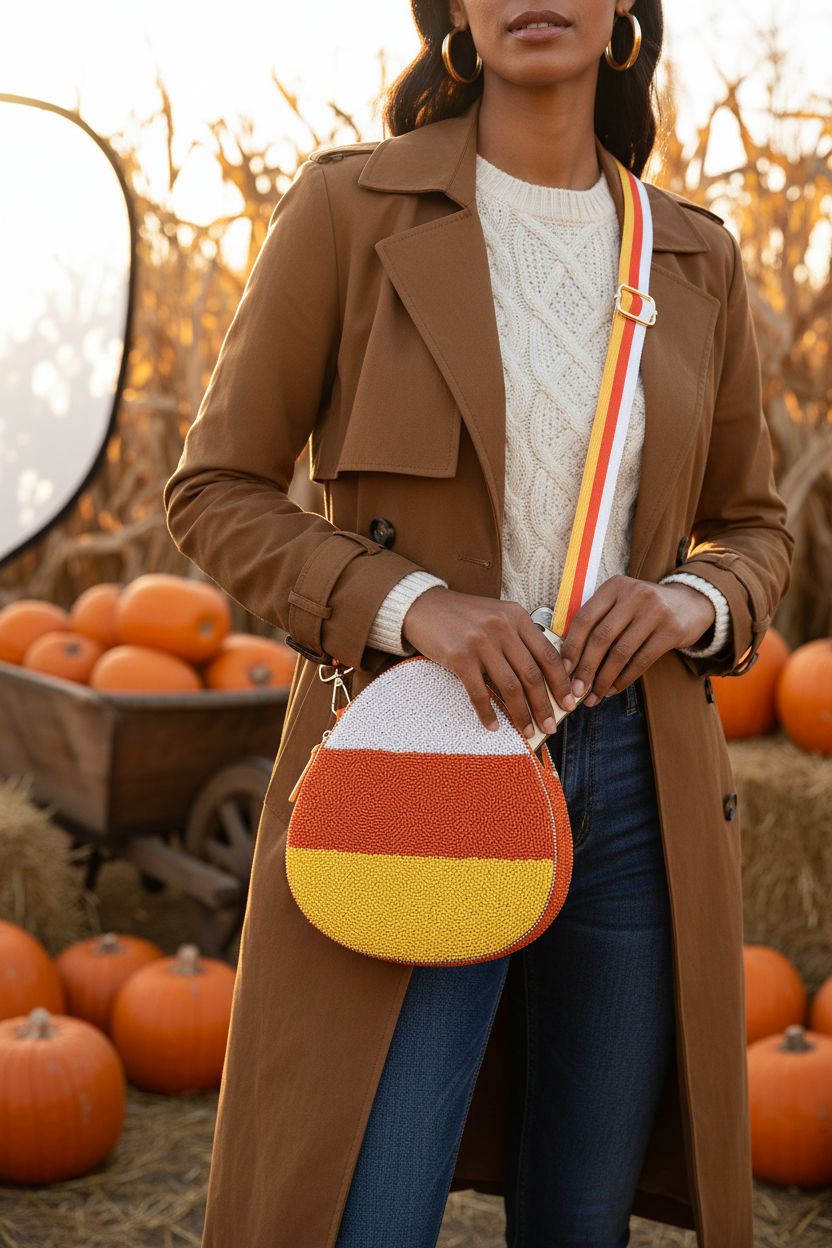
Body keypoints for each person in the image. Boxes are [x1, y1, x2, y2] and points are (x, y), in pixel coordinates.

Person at [163, 3, 794, 1246]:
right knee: (367, 1210)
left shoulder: (691, 257)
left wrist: (687, 597)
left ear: (626, 12)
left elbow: (756, 529)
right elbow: (214, 492)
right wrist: (411, 609)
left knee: (579, 1219)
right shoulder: (350, 210)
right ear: (454, 10)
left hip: (634, 783)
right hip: (421, 756)